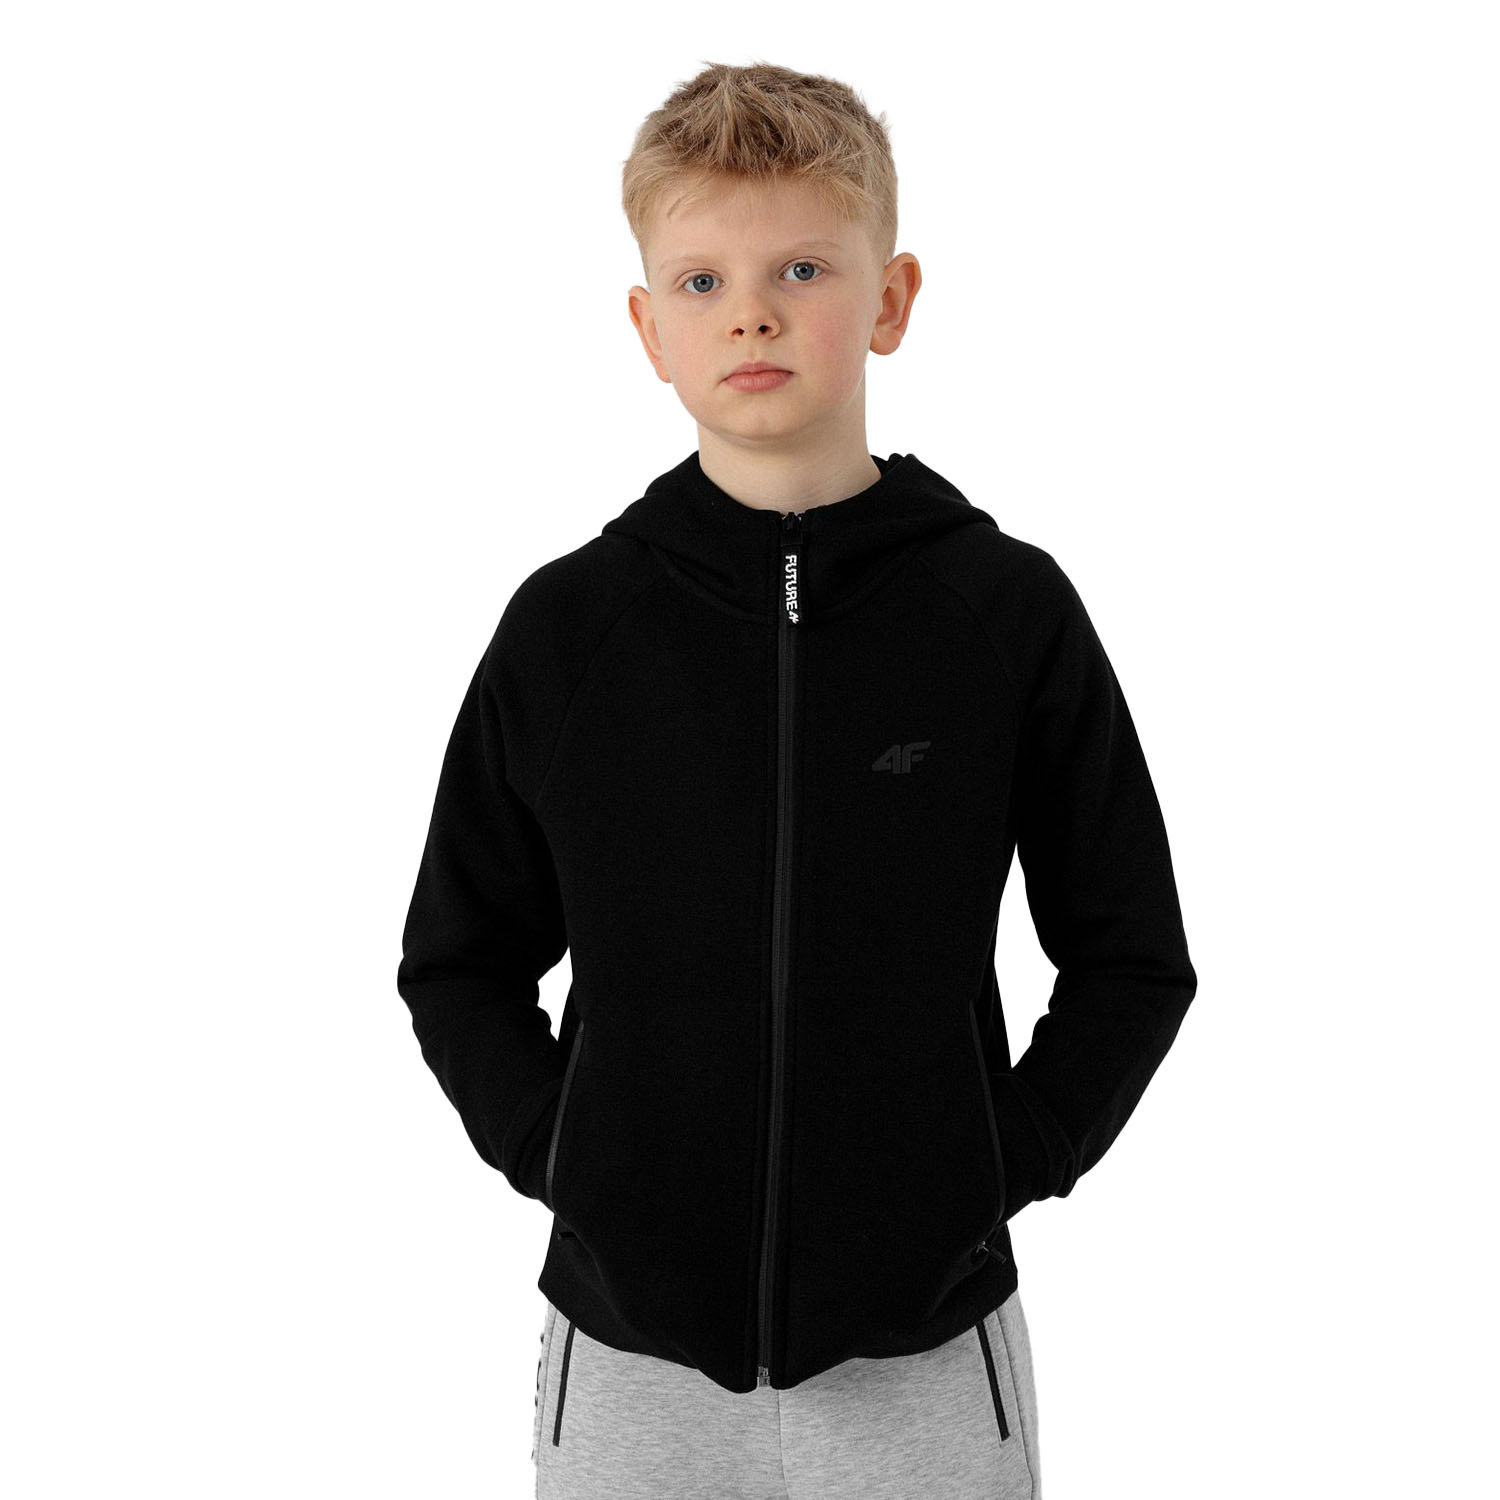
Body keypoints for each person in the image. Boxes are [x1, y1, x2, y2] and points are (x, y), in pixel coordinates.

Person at [397, 59, 1198, 1500]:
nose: (751, 312)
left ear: (891, 298)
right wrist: (569, 1155)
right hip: (627, 1367)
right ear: (648, 327)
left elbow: (1133, 958)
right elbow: (459, 962)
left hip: (929, 1364)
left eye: (802, 269)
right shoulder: (572, 631)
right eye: (702, 281)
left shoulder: (1002, 616)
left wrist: (996, 1164)